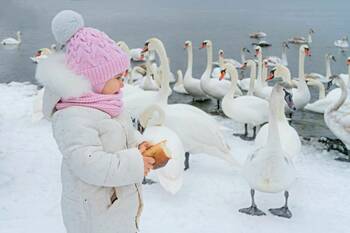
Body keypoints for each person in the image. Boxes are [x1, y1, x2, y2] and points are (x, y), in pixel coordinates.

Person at [35, 10, 154, 233]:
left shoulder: (109, 103)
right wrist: (135, 163)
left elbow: (123, 130)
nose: (123, 85)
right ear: (94, 80)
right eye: (118, 78)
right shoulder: (73, 116)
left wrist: (138, 144)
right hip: (94, 216)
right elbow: (88, 163)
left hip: (115, 208)